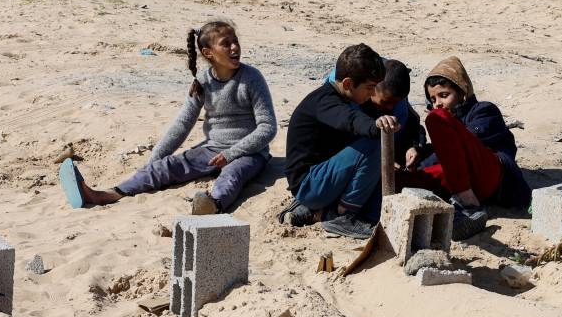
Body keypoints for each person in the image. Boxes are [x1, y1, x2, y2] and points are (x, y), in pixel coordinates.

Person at [59, 20, 277, 214]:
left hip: (249, 152)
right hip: (212, 149)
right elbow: (182, 124)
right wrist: (155, 161)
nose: (234, 47)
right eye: (226, 44)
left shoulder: (252, 78)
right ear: (208, 52)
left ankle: (213, 205)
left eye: (235, 41)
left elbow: (267, 127)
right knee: (168, 166)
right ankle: (106, 194)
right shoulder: (202, 81)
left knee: (232, 174)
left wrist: (231, 154)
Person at [403, 56, 531, 239]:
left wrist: (426, 161)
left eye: (444, 95)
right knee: (414, 178)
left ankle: (468, 204)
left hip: (494, 177)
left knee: (436, 119)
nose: (437, 103)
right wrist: (417, 157)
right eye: (433, 99)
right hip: (466, 180)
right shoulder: (450, 122)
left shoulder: (484, 110)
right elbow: (447, 153)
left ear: (462, 92)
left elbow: (464, 143)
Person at [280, 43, 398, 239]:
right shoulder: (325, 102)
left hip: (327, 179)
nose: (372, 94)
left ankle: (319, 213)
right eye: (369, 87)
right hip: (308, 184)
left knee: (377, 209)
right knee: (372, 146)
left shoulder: (351, 99)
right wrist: (375, 126)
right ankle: (342, 217)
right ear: (348, 84)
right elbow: (351, 120)